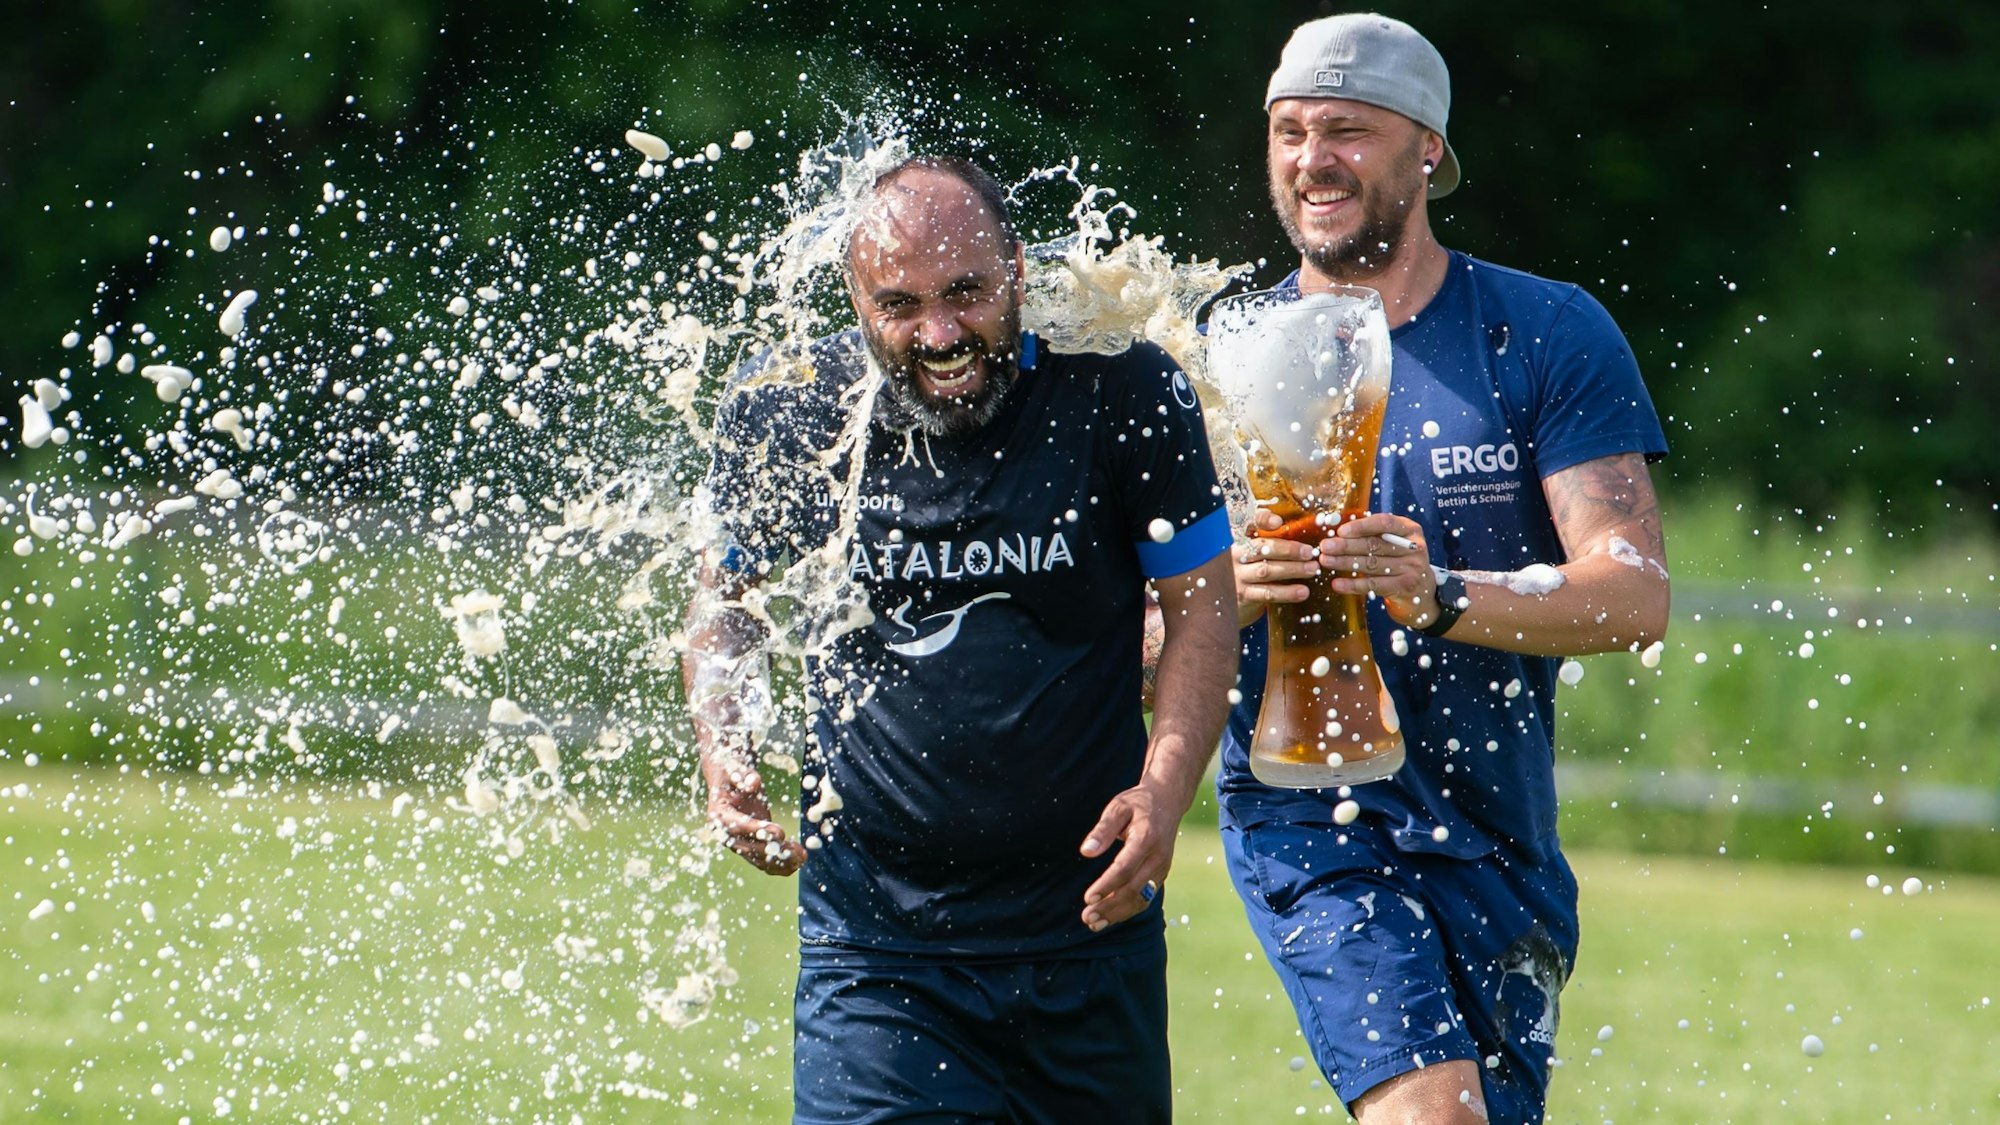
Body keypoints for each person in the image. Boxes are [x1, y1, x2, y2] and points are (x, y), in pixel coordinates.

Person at [682, 155, 1238, 1124]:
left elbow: (1203, 606)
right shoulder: (794, 407)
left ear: (1017, 269)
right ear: (854, 300)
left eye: (965, 293)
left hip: (1085, 936)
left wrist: (1166, 782)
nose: (939, 336)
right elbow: (723, 604)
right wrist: (723, 750)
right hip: (877, 953)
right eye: (898, 305)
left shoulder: (1119, 388)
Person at [1215, 14, 1671, 1124]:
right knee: (1433, 1115)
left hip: (1495, 829)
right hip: (1308, 814)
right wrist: (1226, 588)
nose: (1309, 158)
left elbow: (1632, 591)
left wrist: (1444, 596)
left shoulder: (1544, 331)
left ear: (1425, 147)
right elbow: (1131, 619)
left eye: (1346, 131)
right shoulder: (1220, 348)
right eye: (1287, 131)